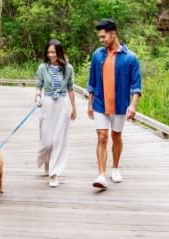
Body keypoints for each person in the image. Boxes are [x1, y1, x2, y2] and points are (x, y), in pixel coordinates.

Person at [86, 19, 142, 190]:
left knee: (116, 137)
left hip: (119, 105)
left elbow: (136, 85)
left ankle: (115, 168)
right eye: (100, 37)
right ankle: (101, 175)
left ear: (113, 34)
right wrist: (89, 103)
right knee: (102, 137)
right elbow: (92, 82)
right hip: (100, 104)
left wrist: (132, 105)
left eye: (103, 36)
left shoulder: (131, 58)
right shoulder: (97, 55)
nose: (101, 40)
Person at [35, 39, 77, 187]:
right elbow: (39, 85)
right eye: (48, 52)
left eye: (53, 52)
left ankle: (54, 173)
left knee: (59, 139)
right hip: (47, 103)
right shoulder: (42, 67)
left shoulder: (68, 68)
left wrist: (74, 107)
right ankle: (47, 160)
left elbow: (71, 88)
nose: (51, 55)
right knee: (47, 141)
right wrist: (38, 97)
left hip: (63, 104)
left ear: (59, 52)